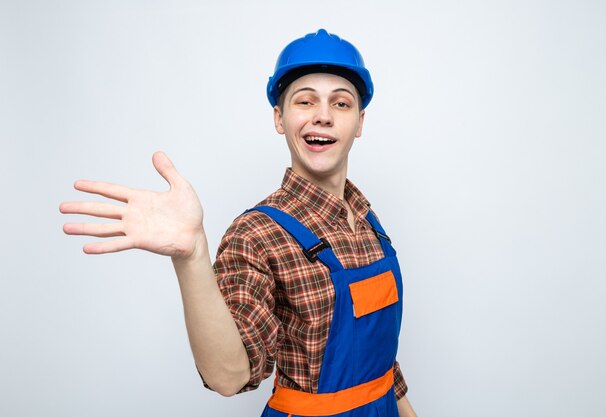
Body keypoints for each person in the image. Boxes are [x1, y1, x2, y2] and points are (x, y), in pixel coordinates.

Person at [60, 29, 418, 417]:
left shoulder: (367, 220)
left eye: (342, 103)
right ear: (280, 118)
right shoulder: (258, 234)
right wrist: (192, 255)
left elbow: (382, 366)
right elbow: (228, 377)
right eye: (305, 101)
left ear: (359, 122)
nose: (323, 115)